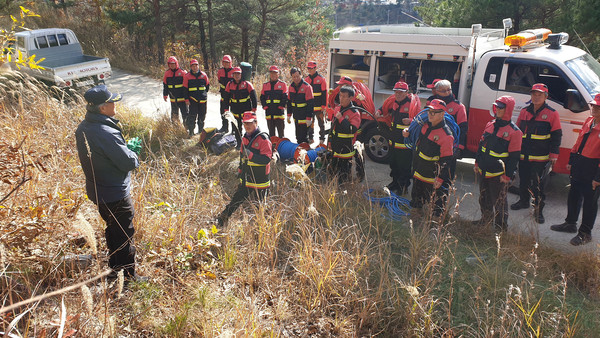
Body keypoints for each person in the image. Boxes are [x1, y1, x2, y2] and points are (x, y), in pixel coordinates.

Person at [75, 85, 146, 282]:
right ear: (102, 108)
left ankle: (115, 270)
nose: (115, 104)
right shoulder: (106, 132)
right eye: (112, 101)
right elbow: (128, 162)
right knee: (124, 234)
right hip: (115, 193)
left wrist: (122, 148)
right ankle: (128, 279)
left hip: (98, 191)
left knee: (112, 230)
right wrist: (132, 152)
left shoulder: (83, 127)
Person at [550, 93, 600, 245]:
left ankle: (585, 233)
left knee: (590, 202)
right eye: (594, 106)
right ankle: (570, 223)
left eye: (598, 107)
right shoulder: (590, 121)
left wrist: (598, 178)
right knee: (574, 194)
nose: (595, 109)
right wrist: (572, 159)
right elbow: (579, 141)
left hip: (593, 168)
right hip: (580, 164)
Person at [511, 83, 562, 224]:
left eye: (540, 94)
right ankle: (523, 201)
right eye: (534, 94)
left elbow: (556, 135)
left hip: (540, 157)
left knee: (538, 185)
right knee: (524, 181)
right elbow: (517, 132)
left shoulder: (552, 113)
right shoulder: (524, 111)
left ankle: (538, 211)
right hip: (524, 155)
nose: (536, 96)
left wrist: (554, 154)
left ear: (546, 96)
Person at [473, 96, 522, 231]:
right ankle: (485, 220)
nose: (497, 110)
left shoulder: (515, 132)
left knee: (499, 202)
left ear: (508, 110)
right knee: (484, 197)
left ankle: (501, 227)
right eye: (496, 107)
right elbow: (481, 146)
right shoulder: (490, 125)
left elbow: (514, 157)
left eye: (501, 107)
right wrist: (477, 162)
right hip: (484, 170)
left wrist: (507, 176)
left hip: (498, 175)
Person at [217, 111, 272, 226]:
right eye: (245, 124)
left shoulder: (263, 139)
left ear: (255, 123)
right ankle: (222, 219)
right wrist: (240, 170)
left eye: (249, 123)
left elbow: (266, 159)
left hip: (260, 180)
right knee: (236, 201)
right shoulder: (244, 138)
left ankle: (262, 229)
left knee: (260, 206)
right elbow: (242, 158)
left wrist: (251, 155)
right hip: (247, 178)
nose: (247, 126)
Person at [404, 99, 454, 219]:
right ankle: (415, 216)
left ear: (442, 114)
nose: (430, 115)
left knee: (434, 202)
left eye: (434, 112)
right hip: (419, 171)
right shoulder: (425, 126)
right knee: (416, 196)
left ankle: (434, 223)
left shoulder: (446, 136)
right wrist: (408, 133)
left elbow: (446, 160)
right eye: (429, 111)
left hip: (432, 176)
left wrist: (440, 178)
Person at [376, 81, 421, 194]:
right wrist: (379, 111)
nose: (398, 94)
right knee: (394, 164)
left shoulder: (412, 104)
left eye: (401, 92)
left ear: (407, 92)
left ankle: (403, 187)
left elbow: (420, 120)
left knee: (404, 167)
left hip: (405, 143)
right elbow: (384, 107)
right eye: (396, 92)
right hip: (393, 141)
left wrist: (410, 121)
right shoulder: (393, 102)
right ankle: (394, 183)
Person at [327, 85, 361, 183]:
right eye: (340, 95)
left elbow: (352, 130)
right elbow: (332, 127)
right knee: (333, 170)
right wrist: (329, 142)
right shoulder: (337, 108)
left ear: (351, 98)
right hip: (335, 145)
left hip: (346, 147)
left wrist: (341, 119)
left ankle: (343, 191)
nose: (341, 98)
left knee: (344, 172)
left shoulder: (355, 113)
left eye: (344, 96)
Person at [434, 79, 467, 178]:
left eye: (449, 90)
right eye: (444, 91)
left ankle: (444, 192)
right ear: (437, 91)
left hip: (450, 146)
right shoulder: (433, 105)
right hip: (434, 143)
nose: (447, 92)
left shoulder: (459, 107)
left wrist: (459, 147)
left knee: (447, 174)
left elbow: (463, 128)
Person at [224, 66, 258, 146]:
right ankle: (239, 144)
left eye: (238, 74)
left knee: (249, 127)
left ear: (241, 74)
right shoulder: (229, 85)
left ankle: (250, 144)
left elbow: (254, 96)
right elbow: (226, 98)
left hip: (246, 110)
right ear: (233, 75)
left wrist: (254, 108)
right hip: (235, 109)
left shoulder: (247, 84)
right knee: (237, 128)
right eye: (235, 74)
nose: (237, 75)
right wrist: (226, 109)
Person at [287, 67, 314, 144]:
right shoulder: (291, 87)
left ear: (301, 75)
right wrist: (289, 115)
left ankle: (306, 154)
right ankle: (300, 154)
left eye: (297, 76)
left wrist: (309, 117)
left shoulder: (307, 87)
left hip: (304, 117)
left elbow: (310, 104)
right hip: (296, 117)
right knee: (298, 137)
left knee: (304, 138)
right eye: (294, 77)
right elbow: (289, 102)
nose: (296, 78)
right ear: (292, 77)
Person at [183, 59, 210, 136]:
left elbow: (207, 86)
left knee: (202, 116)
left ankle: (200, 132)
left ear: (198, 66)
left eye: (196, 65)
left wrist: (203, 94)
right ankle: (191, 132)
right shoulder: (187, 76)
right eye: (193, 66)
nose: (195, 67)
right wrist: (186, 99)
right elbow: (185, 89)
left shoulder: (204, 75)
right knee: (192, 116)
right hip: (192, 100)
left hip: (202, 100)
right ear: (191, 67)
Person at [260, 65, 287, 137]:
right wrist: (264, 106)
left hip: (279, 113)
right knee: (271, 133)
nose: (273, 75)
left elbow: (285, 97)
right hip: (269, 112)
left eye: (275, 73)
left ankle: (281, 147)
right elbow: (262, 97)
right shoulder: (265, 85)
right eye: (272, 73)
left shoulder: (283, 84)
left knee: (281, 133)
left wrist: (281, 106)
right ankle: (272, 146)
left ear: (278, 74)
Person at [305, 61, 328, 144]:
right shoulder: (306, 80)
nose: (310, 70)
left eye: (311, 68)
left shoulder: (321, 79)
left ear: (315, 68)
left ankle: (322, 138)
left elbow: (325, 93)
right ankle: (310, 138)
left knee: (321, 123)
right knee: (310, 123)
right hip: (310, 106)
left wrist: (324, 105)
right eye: (308, 68)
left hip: (319, 106)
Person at [162, 56, 188, 124]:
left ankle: (187, 130)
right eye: (170, 64)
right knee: (174, 116)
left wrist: (187, 97)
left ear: (176, 63)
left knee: (185, 115)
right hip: (173, 99)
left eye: (173, 63)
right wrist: (165, 95)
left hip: (182, 98)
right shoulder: (167, 73)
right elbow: (165, 85)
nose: (172, 65)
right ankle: (176, 130)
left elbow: (187, 86)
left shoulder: (183, 72)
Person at [218, 55, 235, 133]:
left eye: (227, 62)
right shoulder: (220, 71)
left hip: (232, 96)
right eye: (224, 62)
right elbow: (219, 81)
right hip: (223, 96)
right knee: (223, 112)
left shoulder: (234, 71)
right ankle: (225, 127)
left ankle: (234, 130)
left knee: (233, 114)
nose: (226, 64)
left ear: (230, 63)